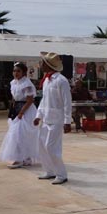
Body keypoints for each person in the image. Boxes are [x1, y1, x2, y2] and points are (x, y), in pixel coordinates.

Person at [33, 52, 72, 185]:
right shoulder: (46, 80)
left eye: (42, 63)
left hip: (57, 119)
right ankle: (49, 171)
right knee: (42, 146)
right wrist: (38, 115)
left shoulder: (61, 81)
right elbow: (44, 100)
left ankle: (61, 174)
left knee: (51, 147)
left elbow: (67, 102)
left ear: (48, 65)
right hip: (46, 117)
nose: (41, 65)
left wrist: (67, 121)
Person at [0, 62, 38, 168]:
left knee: (20, 134)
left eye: (18, 71)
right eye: (14, 71)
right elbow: (14, 98)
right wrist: (12, 110)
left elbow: (29, 100)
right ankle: (25, 158)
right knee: (16, 134)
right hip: (16, 109)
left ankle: (20, 158)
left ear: (23, 72)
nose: (16, 73)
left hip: (26, 110)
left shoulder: (27, 84)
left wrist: (21, 113)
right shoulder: (13, 83)